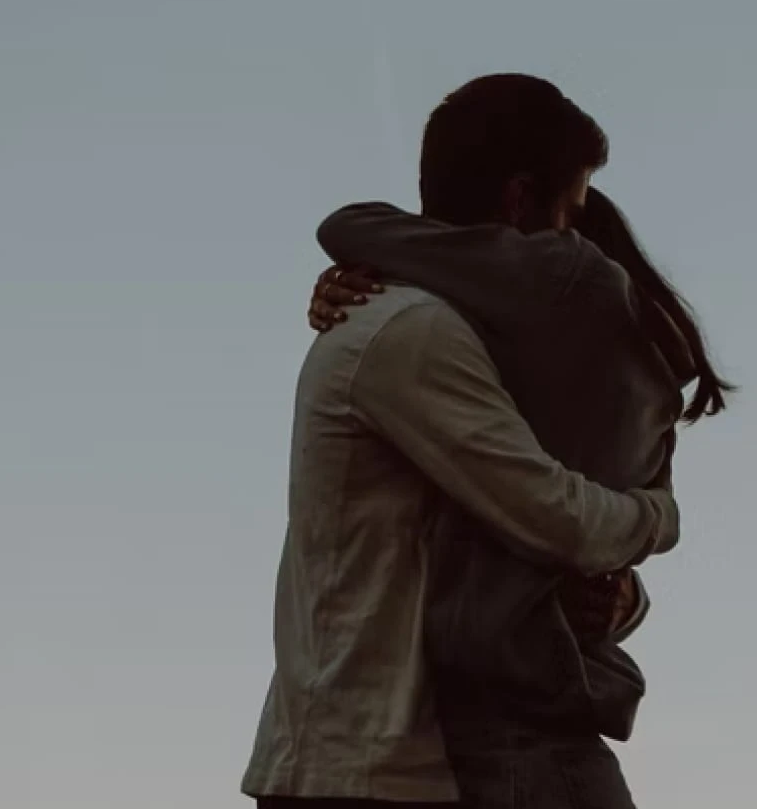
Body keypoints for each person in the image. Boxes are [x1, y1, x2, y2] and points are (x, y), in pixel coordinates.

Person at [241, 75, 684, 809]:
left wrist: (621, 596)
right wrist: (659, 518)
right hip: (361, 767)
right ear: (518, 202)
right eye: (572, 214)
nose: (577, 244)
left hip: (385, 757)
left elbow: (503, 546)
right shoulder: (413, 333)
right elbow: (555, 518)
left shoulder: (430, 328)